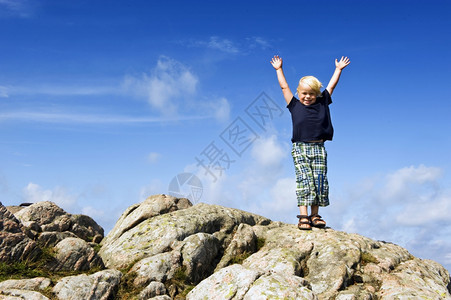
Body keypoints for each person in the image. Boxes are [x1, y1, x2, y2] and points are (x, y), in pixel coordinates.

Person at [270, 55, 350, 230]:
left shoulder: (322, 103)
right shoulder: (294, 105)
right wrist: (279, 69)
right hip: (300, 147)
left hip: (319, 147)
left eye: (311, 94)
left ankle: (315, 215)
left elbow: (331, 86)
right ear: (299, 93)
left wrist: (338, 69)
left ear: (317, 94)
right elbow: (284, 87)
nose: (307, 97)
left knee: (319, 181)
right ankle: (303, 216)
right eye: (304, 93)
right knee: (304, 180)